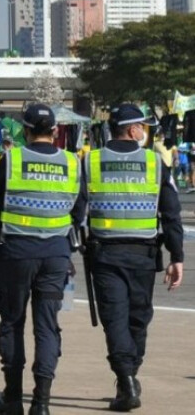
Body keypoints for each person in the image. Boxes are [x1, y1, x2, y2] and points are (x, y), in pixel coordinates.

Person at [0, 103, 87, 415]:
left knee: (12, 322)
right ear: (55, 131)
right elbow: (79, 211)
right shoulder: (71, 162)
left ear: (25, 130)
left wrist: (3, 226)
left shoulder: (11, 159)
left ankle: (13, 398)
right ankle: (42, 402)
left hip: (16, 253)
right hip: (55, 255)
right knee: (47, 325)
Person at [85, 104, 184, 411]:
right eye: (143, 125)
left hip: (105, 255)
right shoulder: (155, 163)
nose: (145, 130)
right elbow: (171, 213)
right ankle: (128, 376)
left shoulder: (90, 161)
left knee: (114, 319)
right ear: (132, 130)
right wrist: (176, 256)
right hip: (143, 254)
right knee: (137, 319)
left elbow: (76, 210)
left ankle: (126, 377)